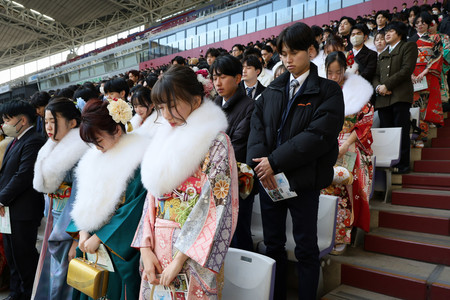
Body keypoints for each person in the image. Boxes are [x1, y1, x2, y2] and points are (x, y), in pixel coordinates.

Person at [246, 22, 344, 300]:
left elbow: (317, 137)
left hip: (303, 181)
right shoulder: (272, 90)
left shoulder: (328, 91)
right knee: (273, 246)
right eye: (283, 54)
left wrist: (274, 161)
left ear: (312, 51)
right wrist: (261, 164)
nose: (287, 60)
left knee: (305, 249)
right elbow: (257, 130)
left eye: (294, 53)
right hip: (269, 181)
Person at [132, 65, 238, 299]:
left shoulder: (216, 143)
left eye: (172, 105)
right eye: (161, 108)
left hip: (192, 254)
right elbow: (152, 197)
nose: (167, 115)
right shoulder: (161, 139)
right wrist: (145, 248)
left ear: (196, 101)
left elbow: (216, 207)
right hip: (158, 246)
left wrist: (180, 259)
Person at [67, 98, 149, 300]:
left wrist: (100, 237)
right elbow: (83, 200)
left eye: (99, 140)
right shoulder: (93, 158)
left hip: (115, 245)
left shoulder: (137, 161)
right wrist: (84, 231)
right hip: (92, 242)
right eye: (92, 143)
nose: (96, 147)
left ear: (117, 131)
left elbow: (133, 209)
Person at [32, 98, 90, 300]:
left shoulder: (81, 151)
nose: (48, 127)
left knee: (65, 276)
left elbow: (80, 198)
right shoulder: (51, 146)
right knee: (53, 273)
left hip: (69, 223)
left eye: (53, 121)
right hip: (53, 217)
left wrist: (75, 236)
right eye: (46, 121)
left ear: (72, 123)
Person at [322, 51, 374, 255]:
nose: (334, 77)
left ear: (345, 70)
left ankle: (342, 234)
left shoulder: (357, 91)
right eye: (330, 72)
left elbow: (364, 121)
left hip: (349, 144)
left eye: (338, 72)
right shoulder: (323, 90)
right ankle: (325, 233)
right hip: (327, 144)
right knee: (325, 188)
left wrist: (345, 145)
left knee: (344, 190)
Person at [0, 100, 46, 300]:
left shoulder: (33, 141)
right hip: (11, 210)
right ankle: (16, 293)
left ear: (23, 119)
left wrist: (1, 199)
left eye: (8, 119)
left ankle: (29, 294)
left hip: (23, 210)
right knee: (12, 256)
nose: (4, 124)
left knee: (24, 257)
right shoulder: (16, 141)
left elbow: (23, 175)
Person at [211, 55, 255, 251]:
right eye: (214, 78)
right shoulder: (212, 104)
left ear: (238, 78)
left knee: (238, 234)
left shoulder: (249, 106)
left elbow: (237, 146)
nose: (217, 83)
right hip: (213, 179)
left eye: (222, 77)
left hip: (236, 180)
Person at [373, 21, 418, 174]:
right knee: (387, 133)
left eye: (391, 30)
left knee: (401, 132)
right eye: (386, 31)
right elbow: (376, 75)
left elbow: (406, 69)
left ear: (399, 33)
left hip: (400, 97)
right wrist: (379, 87)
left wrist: (387, 86)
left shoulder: (408, 46)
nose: (387, 33)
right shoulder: (383, 53)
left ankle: (403, 165)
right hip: (383, 99)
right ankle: (389, 163)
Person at [411, 12, 444, 147]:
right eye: (417, 22)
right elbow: (406, 59)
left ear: (428, 24)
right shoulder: (410, 40)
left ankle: (421, 137)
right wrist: (410, 74)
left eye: (423, 22)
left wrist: (425, 71)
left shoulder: (435, 38)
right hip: (412, 75)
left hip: (427, 73)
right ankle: (413, 135)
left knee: (423, 105)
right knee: (414, 106)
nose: (420, 25)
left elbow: (437, 54)